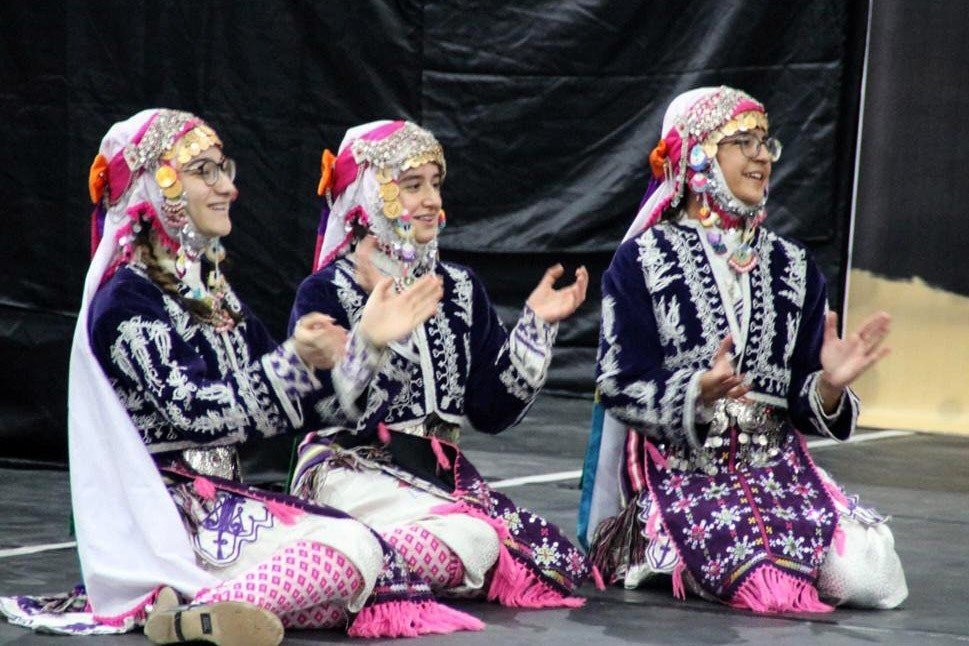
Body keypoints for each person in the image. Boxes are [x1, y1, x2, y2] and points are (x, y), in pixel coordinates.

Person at [0, 109, 481, 643]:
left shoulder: (213, 294)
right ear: (152, 186)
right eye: (205, 171)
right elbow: (199, 412)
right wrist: (295, 359)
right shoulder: (125, 302)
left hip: (228, 501)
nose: (227, 186)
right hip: (173, 514)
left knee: (435, 545)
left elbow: (308, 413)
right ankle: (195, 609)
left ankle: (208, 607)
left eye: (223, 168)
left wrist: (367, 342)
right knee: (359, 552)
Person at [578, 87, 908, 612]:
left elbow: (801, 396)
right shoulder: (642, 260)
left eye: (765, 143)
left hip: (779, 471)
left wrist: (827, 386)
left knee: (871, 578)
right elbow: (618, 382)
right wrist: (697, 393)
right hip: (685, 472)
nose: (762, 156)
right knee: (763, 580)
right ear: (698, 155)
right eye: (743, 142)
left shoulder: (793, 266)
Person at [288, 120, 595, 608]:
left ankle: (368, 566)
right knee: (477, 544)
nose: (432, 199)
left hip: (440, 478)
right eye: (413, 185)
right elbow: (320, 413)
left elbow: (491, 411)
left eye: (435, 183)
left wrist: (536, 326)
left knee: (555, 562)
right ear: (370, 196)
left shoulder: (459, 286)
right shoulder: (328, 291)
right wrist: (373, 340)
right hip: (357, 471)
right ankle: (351, 557)